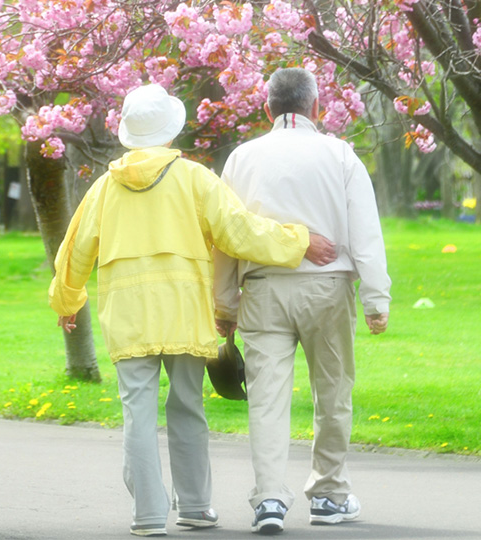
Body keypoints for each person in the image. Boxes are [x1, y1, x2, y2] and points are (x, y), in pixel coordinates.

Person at [48, 84, 337, 537]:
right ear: (169, 132)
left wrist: (66, 300)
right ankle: (196, 507)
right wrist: (299, 240)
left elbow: (74, 249)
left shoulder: (104, 188)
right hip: (184, 312)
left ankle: (147, 515)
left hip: (128, 316)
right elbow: (240, 233)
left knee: (137, 414)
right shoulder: (195, 178)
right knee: (186, 407)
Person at [211, 67, 391, 535]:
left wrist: (224, 304)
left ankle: (269, 498)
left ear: (267, 108)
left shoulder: (242, 158)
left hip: (263, 289)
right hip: (327, 287)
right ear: (317, 108)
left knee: (266, 400)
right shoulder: (340, 154)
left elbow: (226, 236)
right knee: (332, 393)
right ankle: (329, 493)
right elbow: (366, 232)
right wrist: (375, 297)